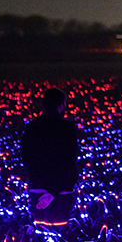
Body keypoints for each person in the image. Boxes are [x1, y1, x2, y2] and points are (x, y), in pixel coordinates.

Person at [20, 87, 80, 227]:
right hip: (61, 190)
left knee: (40, 235)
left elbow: (26, 158)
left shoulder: (32, 127)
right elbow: (69, 160)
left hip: (37, 186)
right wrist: (53, 191)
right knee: (58, 235)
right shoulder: (66, 128)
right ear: (61, 105)